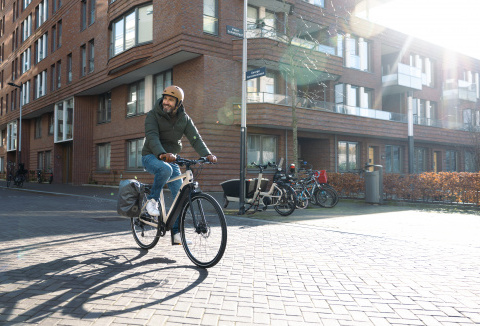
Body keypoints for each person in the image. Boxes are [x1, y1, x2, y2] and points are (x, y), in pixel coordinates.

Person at [141, 85, 217, 245]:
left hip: (172, 158)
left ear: (178, 103)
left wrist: (207, 154)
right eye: (165, 99)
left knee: (180, 195)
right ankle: (151, 202)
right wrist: (161, 154)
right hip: (151, 156)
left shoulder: (184, 119)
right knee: (165, 169)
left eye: (170, 100)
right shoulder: (153, 115)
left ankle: (176, 234)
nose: (166, 102)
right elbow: (152, 136)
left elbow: (195, 138)